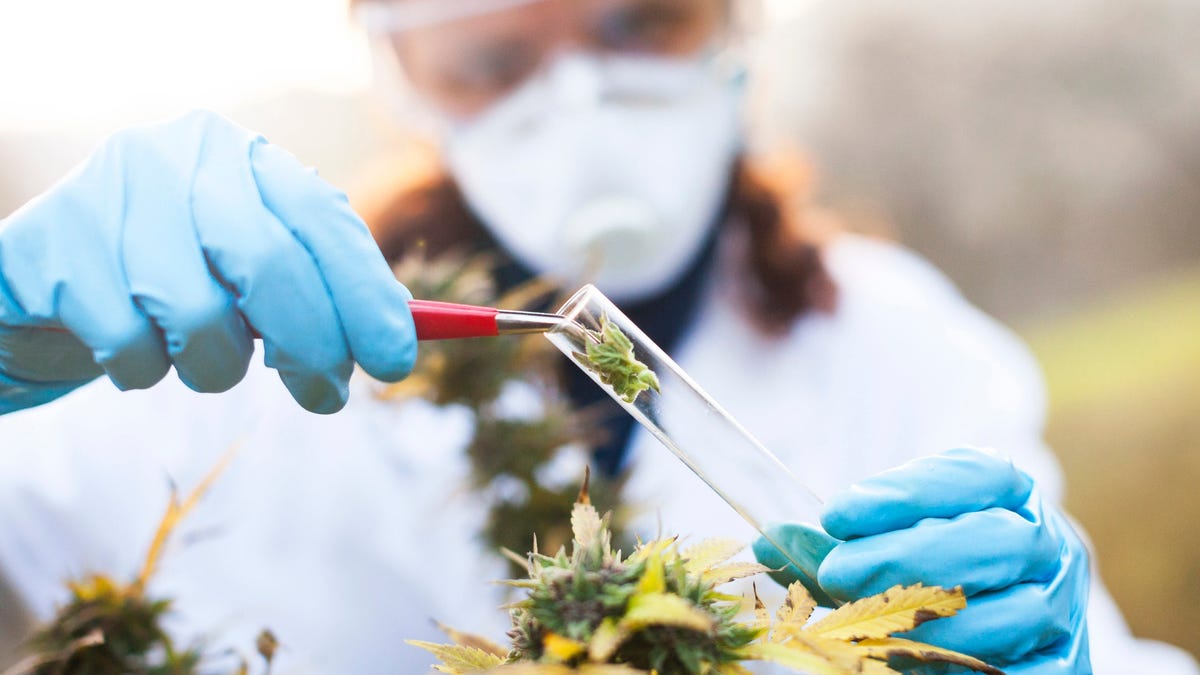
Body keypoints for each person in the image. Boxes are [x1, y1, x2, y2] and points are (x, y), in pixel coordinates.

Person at [0, 0, 1194, 673]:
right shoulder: (195, 353)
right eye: (491, 56)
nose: (577, 98)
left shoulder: (898, 345)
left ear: (732, 28)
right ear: (403, 76)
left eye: (640, 22)